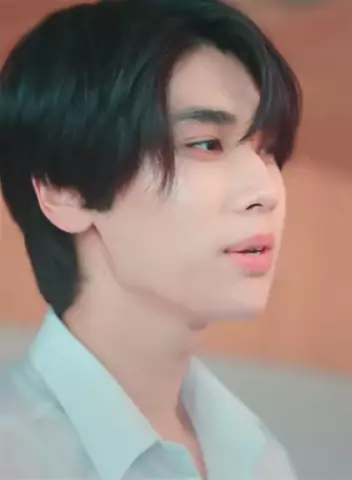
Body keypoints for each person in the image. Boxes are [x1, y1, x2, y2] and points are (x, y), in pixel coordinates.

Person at [0, 0, 302, 478]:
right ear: (65, 190)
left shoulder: (258, 457)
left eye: (269, 151)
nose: (265, 191)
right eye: (206, 143)